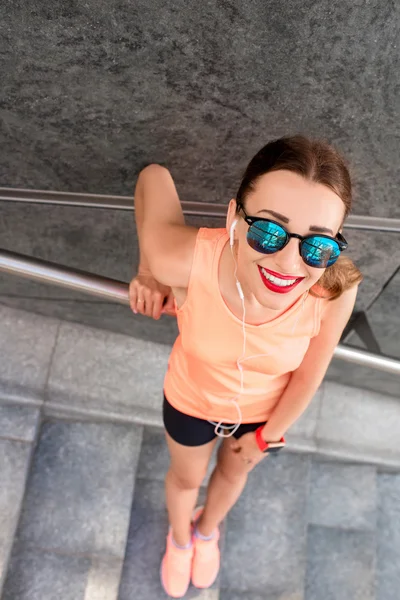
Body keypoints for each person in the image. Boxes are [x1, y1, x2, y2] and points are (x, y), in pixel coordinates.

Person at [129, 135, 362, 598]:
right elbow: (153, 177)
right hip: (192, 399)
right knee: (186, 478)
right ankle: (179, 541)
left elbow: (310, 374)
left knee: (232, 477)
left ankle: (206, 532)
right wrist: (151, 271)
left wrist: (266, 437)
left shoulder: (334, 290)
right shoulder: (187, 259)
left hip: (262, 416)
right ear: (234, 216)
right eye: (270, 232)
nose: (288, 261)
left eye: (317, 245)